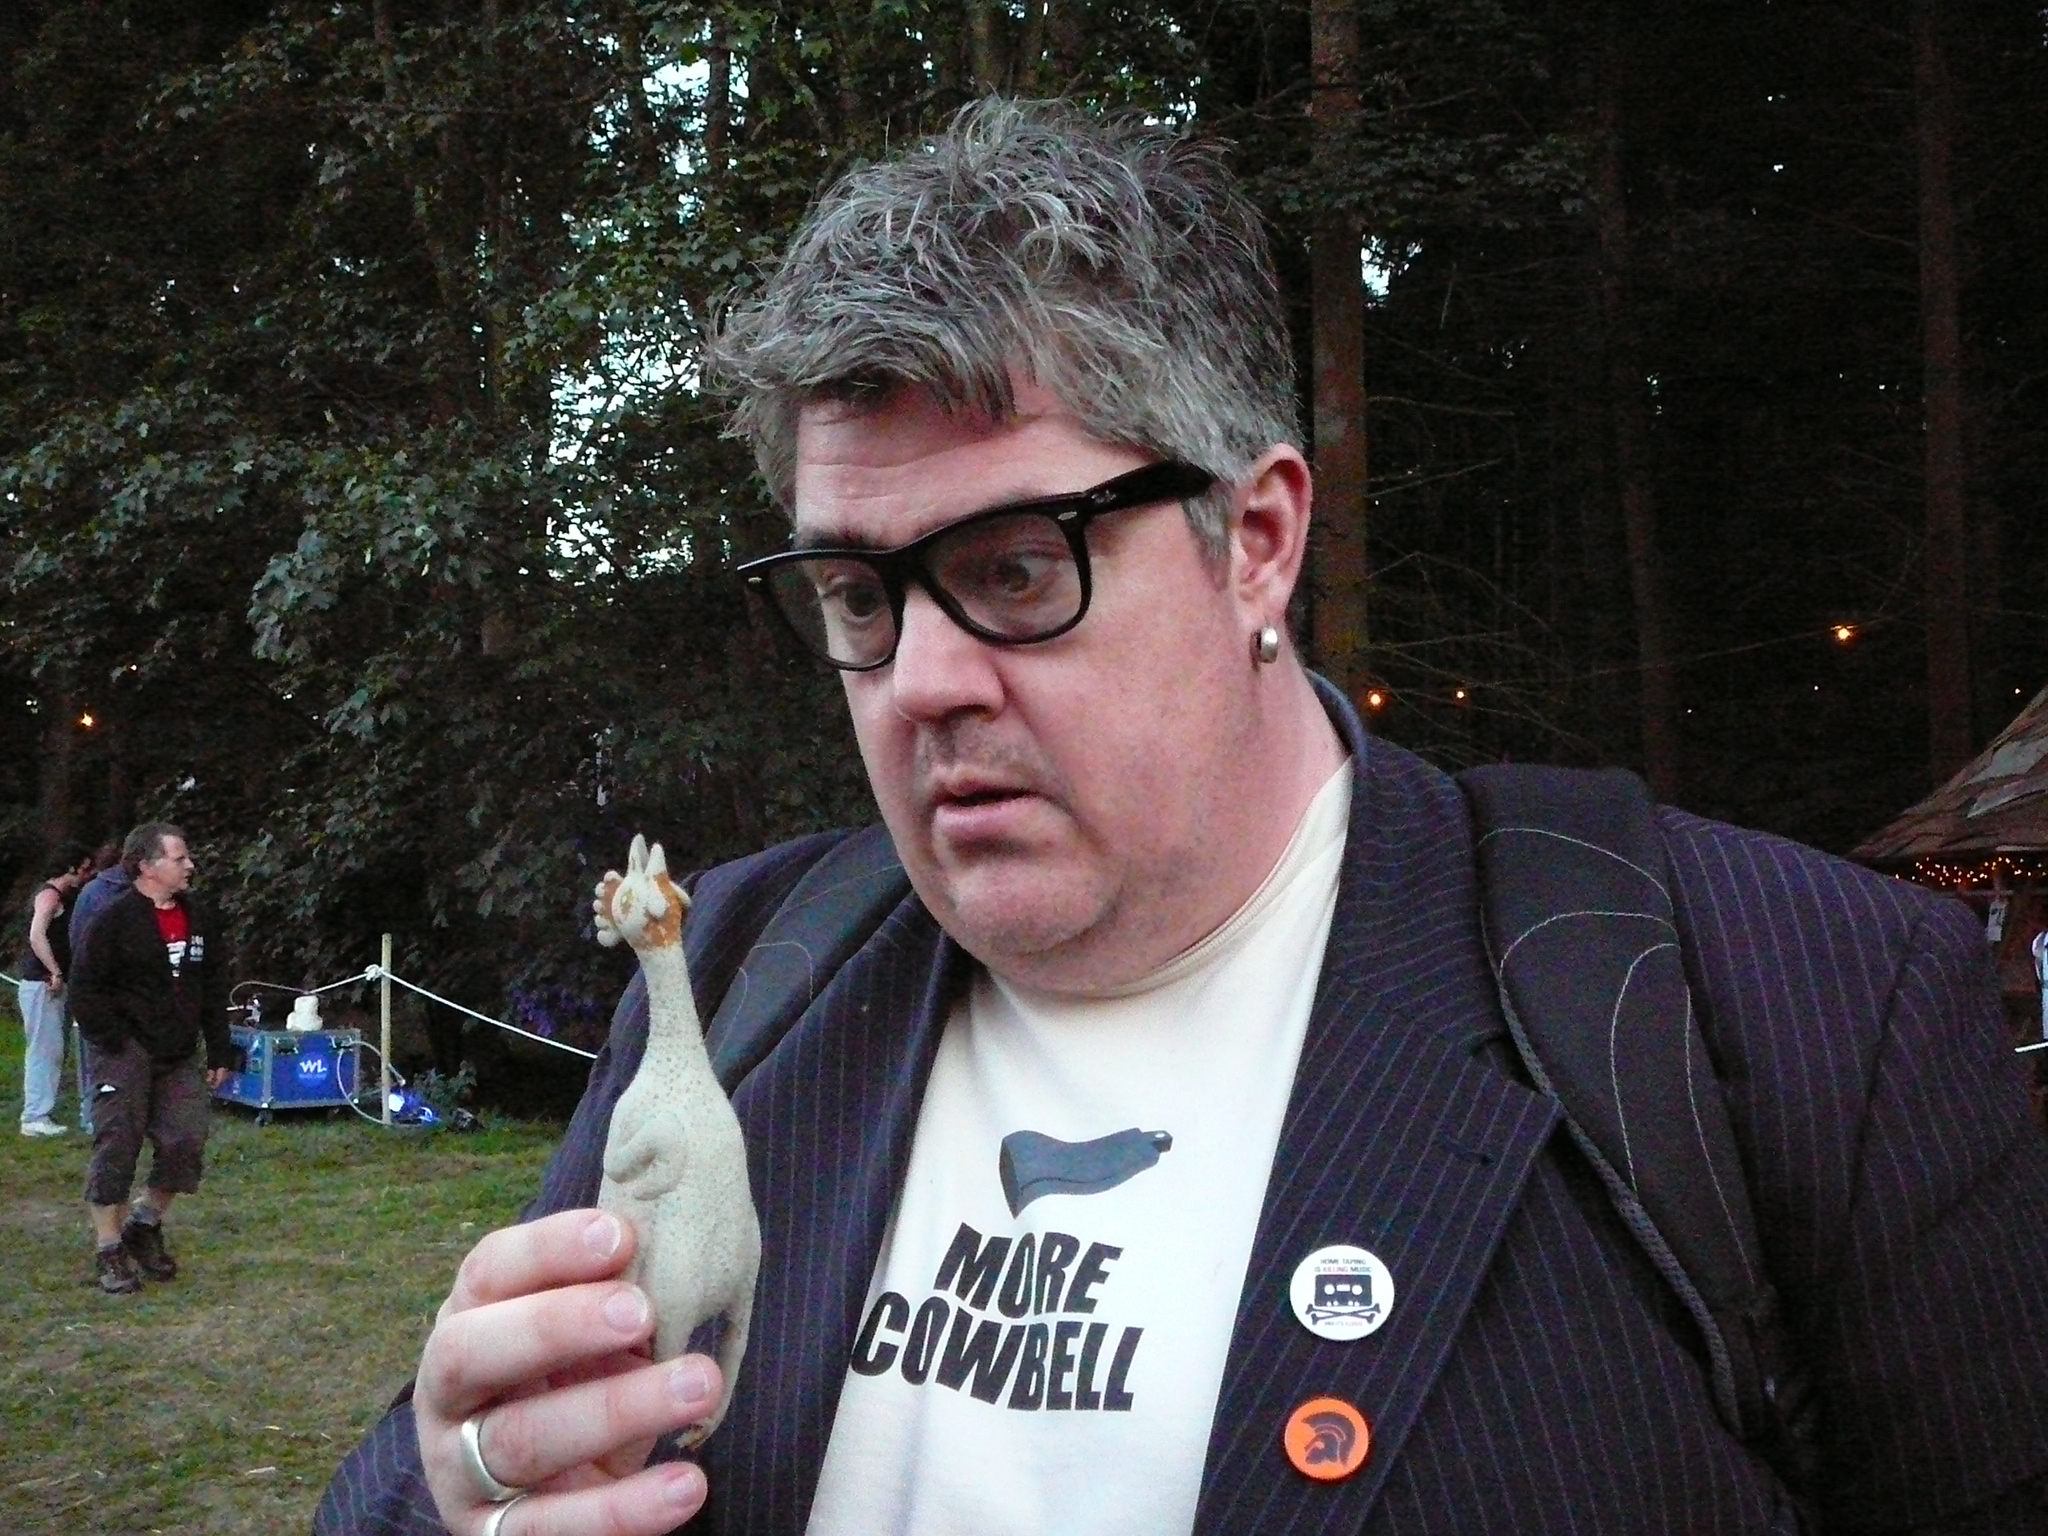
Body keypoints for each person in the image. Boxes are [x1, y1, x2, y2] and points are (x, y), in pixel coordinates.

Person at [319, 100, 2048, 1536]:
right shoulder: (737, 985)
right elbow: (474, 1463)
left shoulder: (1798, 1012)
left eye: (1016, 569)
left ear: (1260, 541)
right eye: (857, 595)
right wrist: (450, 1489)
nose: (920, 682)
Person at [68, 822, 234, 1295]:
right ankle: (109, 1248)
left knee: (186, 1139)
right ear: (146, 866)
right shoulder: (114, 919)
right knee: (117, 1144)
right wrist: (114, 1040)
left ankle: (143, 1225)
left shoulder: (198, 917)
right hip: (125, 1049)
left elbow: (212, 986)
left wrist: (219, 1046)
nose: (190, 866)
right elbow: (85, 987)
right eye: (179, 858)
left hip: (178, 1051)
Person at [14, 839, 94, 1136]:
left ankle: (41, 1111)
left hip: (51, 984)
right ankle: (35, 1116)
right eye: (84, 869)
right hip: (43, 984)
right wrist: (55, 970)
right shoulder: (49, 896)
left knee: (54, 1048)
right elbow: (37, 935)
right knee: (45, 1050)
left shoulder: (62, 897)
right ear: (70, 868)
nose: (86, 875)